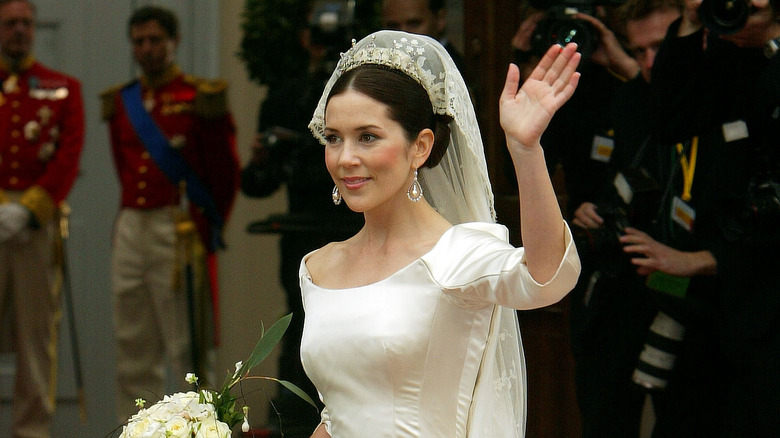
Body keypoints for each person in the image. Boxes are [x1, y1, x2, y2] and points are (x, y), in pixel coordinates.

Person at [299, 30, 581, 437]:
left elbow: (547, 277)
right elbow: (338, 415)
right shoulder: (319, 267)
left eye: (368, 137)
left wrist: (525, 149)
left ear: (421, 146)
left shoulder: (457, 255)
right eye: (333, 138)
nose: (346, 158)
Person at [639, 0, 780, 435]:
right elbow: (671, 121)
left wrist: (709, 258)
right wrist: (692, 18)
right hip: (724, 309)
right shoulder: (730, 52)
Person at [100, 5, 240, 422]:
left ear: (173, 42)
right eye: (139, 41)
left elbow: (223, 171)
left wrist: (207, 226)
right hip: (131, 226)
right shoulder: (122, 102)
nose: (147, 49)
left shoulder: (199, 97)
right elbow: (123, 169)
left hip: (174, 228)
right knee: (132, 347)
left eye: (155, 40)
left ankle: (197, 429)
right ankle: (134, 428)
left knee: (186, 349)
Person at [240, 8, 363, 435]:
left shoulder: (363, 98)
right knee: (301, 333)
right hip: (302, 238)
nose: (324, 48)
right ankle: (293, 424)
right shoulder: (285, 98)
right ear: (303, 39)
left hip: (358, 231)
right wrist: (264, 158)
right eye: (317, 37)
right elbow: (256, 185)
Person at [565, 0, 682, 436]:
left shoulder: (711, 95)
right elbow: (608, 170)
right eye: (638, 52)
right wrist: (586, 208)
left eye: (660, 46)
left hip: (686, 290)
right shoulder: (626, 96)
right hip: (617, 284)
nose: (650, 62)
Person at [0, 1, 84, 437]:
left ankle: (30, 432)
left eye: (25, 24)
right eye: (10, 23)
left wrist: (28, 209)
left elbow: (68, 156)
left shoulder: (63, 87)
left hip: (35, 222)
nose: (19, 31)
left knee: (35, 341)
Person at [381, 0, 468, 77]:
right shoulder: (382, 68)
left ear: (440, 19)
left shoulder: (457, 72)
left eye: (414, 24)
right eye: (393, 26)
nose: (403, 34)